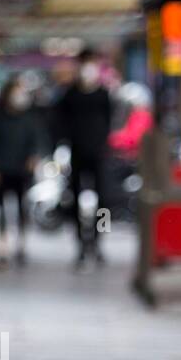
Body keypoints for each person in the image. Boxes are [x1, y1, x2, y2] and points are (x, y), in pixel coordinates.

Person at [53, 48, 113, 270]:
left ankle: (98, 243)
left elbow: (109, 121)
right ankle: (79, 245)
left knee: (104, 202)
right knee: (75, 200)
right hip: (77, 154)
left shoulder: (103, 94)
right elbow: (59, 123)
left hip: (99, 155)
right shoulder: (70, 95)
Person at [0, 75, 47, 269]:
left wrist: (34, 157)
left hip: (22, 172)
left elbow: (38, 140)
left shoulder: (31, 118)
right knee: (2, 210)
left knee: (22, 208)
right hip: (1, 171)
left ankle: (21, 246)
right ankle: (3, 248)